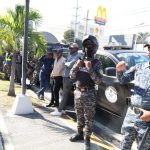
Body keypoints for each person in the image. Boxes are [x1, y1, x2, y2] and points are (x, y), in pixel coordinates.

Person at [69, 35, 103, 150]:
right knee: (79, 115)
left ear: (94, 48)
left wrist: (90, 69)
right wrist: (76, 67)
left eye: (90, 45)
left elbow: (98, 80)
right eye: (86, 45)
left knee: (89, 118)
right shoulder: (79, 60)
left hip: (89, 93)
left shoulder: (97, 63)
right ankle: (79, 133)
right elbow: (71, 77)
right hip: (78, 92)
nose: (88, 48)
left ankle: (87, 139)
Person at [116, 43, 150, 150]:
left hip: (147, 119)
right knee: (125, 145)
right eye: (149, 48)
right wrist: (119, 71)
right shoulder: (139, 67)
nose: (149, 50)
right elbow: (122, 80)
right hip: (132, 114)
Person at [50, 43, 80, 116]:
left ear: (76, 49)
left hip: (69, 77)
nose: (69, 49)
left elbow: (69, 65)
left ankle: (59, 110)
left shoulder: (77, 56)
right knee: (65, 94)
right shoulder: (71, 55)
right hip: (65, 76)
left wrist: (66, 63)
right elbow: (66, 63)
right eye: (69, 48)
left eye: (71, 48)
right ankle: (63, 109)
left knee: (64, 94)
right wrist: (66, 63)